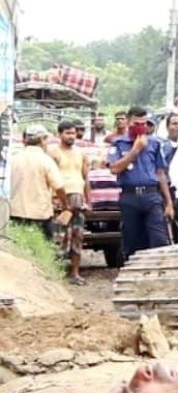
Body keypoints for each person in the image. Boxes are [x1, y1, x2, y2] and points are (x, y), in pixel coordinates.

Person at [106, 105, 174, 260]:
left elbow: (161, 173)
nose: (140, 127)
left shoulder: (154, 143)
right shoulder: (118, 144)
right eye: (136, 124)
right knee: (132, 242)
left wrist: (168, 202)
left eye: (143, 124)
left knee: (159, 239)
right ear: (128, 122)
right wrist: (135, 150)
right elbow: (114, 169)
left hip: (151, 195)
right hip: (130, 197)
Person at [48, 119, 91, 285]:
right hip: (60, 199)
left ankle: (75, 273)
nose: (71, 136)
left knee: (77, 236)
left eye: (73, 133)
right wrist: (55, 200)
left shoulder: (81, 153)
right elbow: (49, 178)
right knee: (59, 237)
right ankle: (55, 275)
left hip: (77, 198)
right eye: (67, 133)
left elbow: (86, 178)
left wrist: (89, 200)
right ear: (59, 134)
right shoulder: (53, 153)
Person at [10, 124, 68, 239]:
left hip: (15, 213)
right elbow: (59, 187)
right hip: (40, 216)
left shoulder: (14, 159)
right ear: (42, 140)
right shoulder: (46, 160)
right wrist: (66, 207)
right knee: (42, 250)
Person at [162, 113, 178, 244]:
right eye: (174, 123)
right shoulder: (163, 146)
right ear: (167, 126)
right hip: (168, 193)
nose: (177, 127)